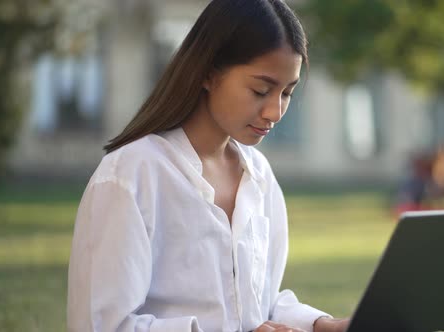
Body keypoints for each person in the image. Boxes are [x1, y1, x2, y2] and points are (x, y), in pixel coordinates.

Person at [67, 1, 350, 331]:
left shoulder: (258, 177)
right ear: (208, 74)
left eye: (287, 93)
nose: (275, 111)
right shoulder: (131, 175)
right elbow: (104, 326)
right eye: (261, 90)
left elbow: (258, 304)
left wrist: (322, 325)